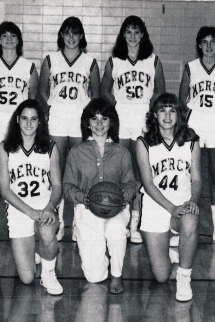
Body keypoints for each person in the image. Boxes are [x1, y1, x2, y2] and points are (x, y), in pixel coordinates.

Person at [101, 15, 166, 244]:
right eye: (128, 32)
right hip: (122, 119)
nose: (132, 36)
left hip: (142, 118)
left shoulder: (153, 60)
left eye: (137, 32)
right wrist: (116, 107)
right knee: (120, 171)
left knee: (140, 173)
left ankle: (136, 223)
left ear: (143, 34)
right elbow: (104, 89)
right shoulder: (114, 61)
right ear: (123, 35)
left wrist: (150, 110)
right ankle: (119, 219)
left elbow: (160, 91)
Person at [63, 97, 136, 294]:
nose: (99, 124)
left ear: (111, 122)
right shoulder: (76, 152)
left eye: (104, 119)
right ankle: (94, 247)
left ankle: (117, 275)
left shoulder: (122, 152)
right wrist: (83, 198)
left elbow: (130, 184)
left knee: (116, 230)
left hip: (116, 207)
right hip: (87, 207)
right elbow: (68, 186)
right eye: (94, 119)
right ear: (87, 123)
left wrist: (122, 198)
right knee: (94, 276)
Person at [39, 16, 101, 240]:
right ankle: (58, 221)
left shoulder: (90, 62)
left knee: (80, 172)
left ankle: (78, 222)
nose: (71, 37)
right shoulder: (50, 59)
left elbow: (96, 94)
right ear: (61, 35)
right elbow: (42, 91)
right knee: (56, 170)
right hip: (57, 117)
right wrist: (49, 110)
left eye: (76, 33)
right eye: (67, 33)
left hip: (80, 119)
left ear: (82, 36)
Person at [136, 93, 201, 301]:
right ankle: (173, 256)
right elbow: (147, 183)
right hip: (156, 206)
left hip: (181, 204)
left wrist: (191, 201)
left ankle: (184, 277)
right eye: (162, 110)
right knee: (162, 276)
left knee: (190, 219)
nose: (167, 115)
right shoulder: (144, 142)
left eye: (172, 110)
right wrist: (171, 207)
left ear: (178, 115)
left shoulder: (191, 141)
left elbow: (197, 180)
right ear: (154, 114)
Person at [0, 22, 39, 242]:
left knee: (24, 172)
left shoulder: (29, 67)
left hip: (21, 123)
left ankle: (27, 220)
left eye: (13, 36)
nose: (9, 39)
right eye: (5, 36)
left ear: (19, 40)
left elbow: (33, 98)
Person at [0, 99, 63, 295]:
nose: (28, 123)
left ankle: (49, 273)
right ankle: (38, 250)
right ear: (17, 120)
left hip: (44, 208)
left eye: (34, 119)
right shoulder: (4, 148)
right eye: (24, 118)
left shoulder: (50, 147)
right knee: (26, 278)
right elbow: (4, 190)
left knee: (48, 232)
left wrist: (50, 207)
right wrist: (31, 212)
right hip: (19, 210)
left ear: (40, 122)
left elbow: (57, 185)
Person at [179, 26, 215, 246]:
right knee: (188, 177)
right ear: (199, 45)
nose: (209, 46)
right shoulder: (190, 68)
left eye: (213, 42)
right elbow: (182, 97)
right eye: (205, 42)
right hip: (195, 124)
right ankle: (180, 227)